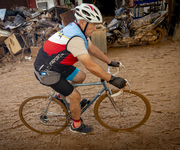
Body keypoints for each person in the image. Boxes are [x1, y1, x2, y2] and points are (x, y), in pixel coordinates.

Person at [34, 3, 127, 134]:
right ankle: (76, 125)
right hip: (47, 71)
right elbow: (90, 65)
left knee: (80, 76)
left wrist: (110, 62)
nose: (95, 28)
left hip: (57, 65)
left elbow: (93, 49)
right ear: (83, 22)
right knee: (76, 96)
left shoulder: (78, 29)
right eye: (93, 24)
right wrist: (112, 79)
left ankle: (62, 97)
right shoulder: (76, 38)